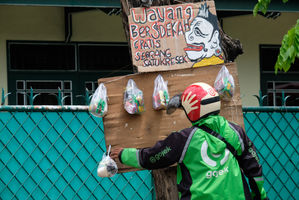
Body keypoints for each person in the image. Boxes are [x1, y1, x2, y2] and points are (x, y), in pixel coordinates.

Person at [111, 82, 268, 200]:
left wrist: (125, 154)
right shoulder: (235, 131)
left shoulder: (184, 139)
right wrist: (260, 196)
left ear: (192, 110)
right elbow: (254, 169)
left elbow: (153, 157)